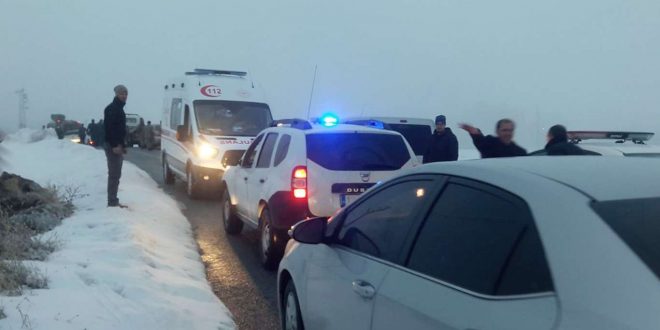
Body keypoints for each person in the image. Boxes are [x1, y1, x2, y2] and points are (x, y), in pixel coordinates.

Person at [104, 85, 128, 207]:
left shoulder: (119, 108)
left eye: (125, 94)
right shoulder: (112, 109)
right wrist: (115, 145)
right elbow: (110, 129)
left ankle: (113, 199)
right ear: (116, 94)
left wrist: (123, 145)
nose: (124, 96)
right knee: (114, 174)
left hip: (118, 145)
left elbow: (120, 130)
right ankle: (112, 201)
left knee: (116, 174)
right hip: (113, 146)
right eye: (121, 94)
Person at [460, 119, 527, 158]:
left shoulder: (520, 152)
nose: (508, 133)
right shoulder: (489, 144)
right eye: (504, 130)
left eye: (510, 130)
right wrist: (475, 132)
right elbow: (479, 140)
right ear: (497, 131)